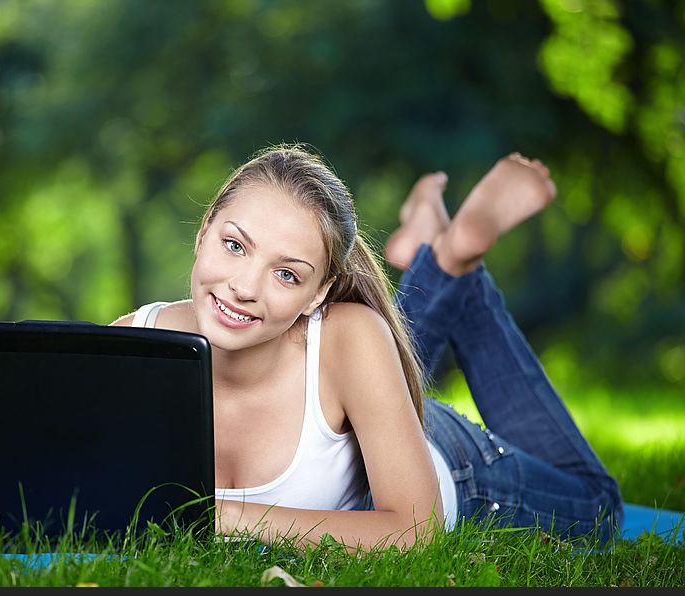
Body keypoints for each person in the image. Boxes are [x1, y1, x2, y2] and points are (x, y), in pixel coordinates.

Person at [112, 145, 624, 551]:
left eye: (286, 273)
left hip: (454, 469)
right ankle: (439, 257)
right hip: (363, 404)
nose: (244, 286)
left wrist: (223, 519)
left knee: (599, 507)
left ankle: (455, 262)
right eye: (234, 245)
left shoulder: (349, 333)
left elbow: (414, 532)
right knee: (369, 349)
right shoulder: (132, 342)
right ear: (203, 233)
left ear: (319, 292)